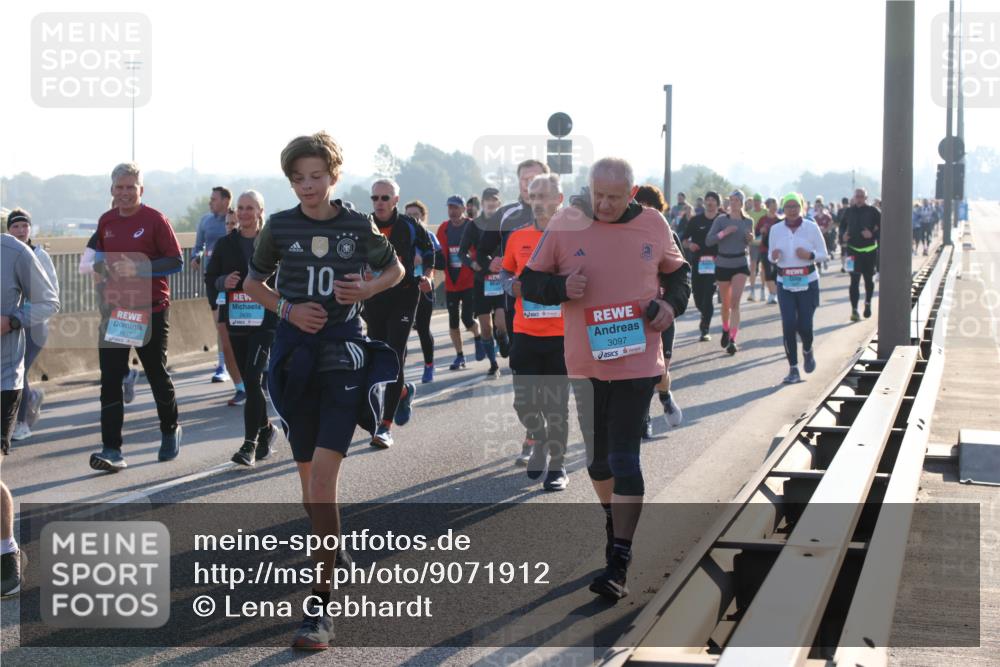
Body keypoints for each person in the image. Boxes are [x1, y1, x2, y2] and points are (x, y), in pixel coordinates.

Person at [243, 131, 404, 649]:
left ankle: (320, 607)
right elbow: (252, 283)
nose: (308, 186)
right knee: (308, 476)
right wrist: (288, 309)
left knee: (321, 483)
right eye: (298, 178)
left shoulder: (358, 225)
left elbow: (396, 268)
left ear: (333, 176)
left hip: (343, 357)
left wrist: (367, 288)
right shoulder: (279, 226)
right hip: (294, 360)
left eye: (316, 176)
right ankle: (331, 548)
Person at [520, 157, 690, 601]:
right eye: (599, 194)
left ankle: (620, 558)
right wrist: (561, 289)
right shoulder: (567, 222)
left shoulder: (653, 223)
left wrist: (671, 306)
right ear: (589, 188)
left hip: (637, 361)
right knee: (598, 464)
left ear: (631, 194)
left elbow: (679, 274)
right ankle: (616, 523)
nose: (606, 204)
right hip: (586, 364)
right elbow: (530, 282)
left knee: (624, 458)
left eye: (615, 197)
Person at [89, 163, 184, 472]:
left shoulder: (155, 220)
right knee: (111, 380)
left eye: (131, 187)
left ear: (141, 190)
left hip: (151, 309)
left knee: (156, 372)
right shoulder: (106, 221)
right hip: (117, 312)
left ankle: (170, 429)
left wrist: (140, 269)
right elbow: (96, 259)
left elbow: (175, 261)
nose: (125, 193)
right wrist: (100, 271)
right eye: (120, 187)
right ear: (112, 190)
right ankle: (112, 449)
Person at [499, 173, 570, 488]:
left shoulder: (575, 237)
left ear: (560, 200)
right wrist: (509, 286)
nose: (540, 202)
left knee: (556, 404)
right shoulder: (517, 237)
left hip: (561, 337)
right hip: (525, 334)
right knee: (524, 402)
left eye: (546, 196)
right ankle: (539, 438)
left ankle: (557, 468)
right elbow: (504, 272)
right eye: (534, 196)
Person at [1, 231, 59, 597]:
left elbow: (49, 301)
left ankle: (7, 553)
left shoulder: (13, 251)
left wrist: (12, 320)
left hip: (3, 379)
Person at [205, 190, 280, 466]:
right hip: (236, 318)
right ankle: (267, 430)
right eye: (241, 208)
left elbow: (286, 276)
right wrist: (223, 280)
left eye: (250, 208)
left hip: (265, 320)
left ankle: (249, 444)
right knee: (250, 381)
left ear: (261, 211)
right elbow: (210, 276)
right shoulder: (226, 244)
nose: (245, 213)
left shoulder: (272, 244)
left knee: (252, 377)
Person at [363, 179, 436, 449]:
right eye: (375, 198)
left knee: (395, 354)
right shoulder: (364, 226)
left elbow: (430, 252)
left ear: (395, 200)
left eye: (385, 198)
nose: (379, 203)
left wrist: (427, 275)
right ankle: (403, 391)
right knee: (377, 355)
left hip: (405, 296)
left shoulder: (409, 225)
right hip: (374, 296)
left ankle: (385, 426)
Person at [477, 160, 550, 352]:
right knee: (524, 372)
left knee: (556, 374)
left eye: (535, 178)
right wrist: (490, 263)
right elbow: (482, 251)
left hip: (556, 306)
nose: (528, 183)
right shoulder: (505, 215)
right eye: (524, 179)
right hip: (517, 305)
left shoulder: (564, 216)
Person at [633, 185, 684, 439]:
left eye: (649, 207)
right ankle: (644, 418)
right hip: (634, 316)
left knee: (660, 372)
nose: (645, 213)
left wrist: (670, 302)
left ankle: (665, 395)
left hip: (660, 314)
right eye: (639, 206)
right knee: (640, 373)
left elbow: (680, 276)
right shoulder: (624, 237)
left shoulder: (667, 235)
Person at [6, 210, 59, 441]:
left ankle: (22, 423)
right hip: (11, 324)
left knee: (19, 372)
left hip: (33, 324)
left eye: (24, 226)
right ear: (8, 230)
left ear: (30, 229)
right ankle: (33, 397)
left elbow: (50, 295)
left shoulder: (39, 255)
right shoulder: (6, 254)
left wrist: (22, 313)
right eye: (15, 227)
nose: (20, 231)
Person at [770, 194, 828, 384]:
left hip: (808, 281)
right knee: (788, 324)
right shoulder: (776, 229)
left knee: (804, 325)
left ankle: (808, 349)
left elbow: (823, 254)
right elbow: (771, 255)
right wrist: (774, 256)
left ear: (801, 207)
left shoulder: (811, 227)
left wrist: (809, 255)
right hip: (785, 282)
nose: (792, 210)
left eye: (796, 206)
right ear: (783, 209)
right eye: (788, 206)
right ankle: (793, 368)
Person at [192, 187, 243, 392]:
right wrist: (196, 256)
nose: (210, 202)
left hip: (237, 279)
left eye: (213, 199)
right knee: (220, 323)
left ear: (226, 201)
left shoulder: (238, 217)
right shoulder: (205, 221)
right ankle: (221, 367)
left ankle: (246, 366)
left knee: (240, 323)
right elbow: (199, 245)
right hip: (214, 278)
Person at [458, 187, 505, 376]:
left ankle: (504, 341)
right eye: (487, 201)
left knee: (502, 324)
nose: (491, 204)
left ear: (499, 204)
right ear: (483, 204)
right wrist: (472, 264)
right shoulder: (474, 225)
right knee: (486, 327)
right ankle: (493, 363)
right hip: (481, 281)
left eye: (494, 200)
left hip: (502, 280)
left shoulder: (505, 223)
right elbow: (462, 252)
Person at [436, 195, 483, 370]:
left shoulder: (473, 226)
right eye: (450, 208)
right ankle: (460, 356)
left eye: (456, 208)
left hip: (469, 280)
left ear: (463, 209)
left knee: (467, 319)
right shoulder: (443, 228)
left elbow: (482, 248)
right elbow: (439, 251)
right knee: (453, 322)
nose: (452, 211)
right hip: (451, 282)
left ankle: (478, 336)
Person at [705, 190, 754, 355]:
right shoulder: (721, 220)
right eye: (731, 200)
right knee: (725, 304)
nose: (733, 203)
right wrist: (724, 233)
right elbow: (709, 240)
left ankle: (733, 339)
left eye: (736, 200)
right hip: (723, 263)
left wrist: (750, 238)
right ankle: (725, 329)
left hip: (740, 262)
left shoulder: (748, 221)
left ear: (742, 203)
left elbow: (748, 241)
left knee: (735, 303)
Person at [404, 200, 443, 383]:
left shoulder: (428, 236)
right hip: (403, 287)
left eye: (415, 215)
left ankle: (429, 365)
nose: (411, 218)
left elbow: (441, 262)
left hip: (424, 287)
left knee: (422, 328)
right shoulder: (400, 235)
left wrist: (425, 263)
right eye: (408, 215)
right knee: (400, 330)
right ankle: (397, 370)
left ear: (422, 217)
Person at [681, 191, 721, 341]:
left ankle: (705, 328)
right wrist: (690, 245)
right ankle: (704, 314)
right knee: (698, 297)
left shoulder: (721, 220)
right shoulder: (696, 221)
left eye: (713, 200)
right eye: (707, 200)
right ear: (704, 203)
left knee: (708, 296)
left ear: (717, 203)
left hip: (716, 263)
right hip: (698, 263)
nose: (710, 202)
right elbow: (684, 239)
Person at [839, 188, 880, 321]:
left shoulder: (873, 211)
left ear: (866, 198)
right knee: (854, 281)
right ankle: (854, 310)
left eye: (861, 196)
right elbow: (842, 227)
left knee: (868, 280)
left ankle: (867, 303)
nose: (859, 198)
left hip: (869, 251)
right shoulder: (849, 211)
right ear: (854, 197)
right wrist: (843, 236)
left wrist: (872, 235)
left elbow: (883, 228)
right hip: (852, 251)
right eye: (857, 196)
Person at [755, 197, 780, 304]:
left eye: (776, 206)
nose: (774, 208)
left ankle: (777, 292)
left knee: (776, 272)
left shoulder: (780, 220)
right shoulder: (762, 220)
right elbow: (756, 235)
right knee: (767, 271)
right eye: (772, 206)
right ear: (768, 206)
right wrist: (761, 231)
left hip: (777, 250)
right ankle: (772, 294)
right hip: (764, 249)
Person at [746, 193, 767, 301]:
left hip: (764, 244)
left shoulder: (765, 212)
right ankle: (752, 291)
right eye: (755, 201)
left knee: (763, 267)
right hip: (753, 244)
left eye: (758, 201)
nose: (756, 203)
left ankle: (763, 290)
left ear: (761, 202)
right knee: (753, 267)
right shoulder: (749, 213)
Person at [813, 199, 835, 271]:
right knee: (817, 250)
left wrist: (826, 229)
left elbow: (831, 225)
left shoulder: (827, 216)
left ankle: (825, 260)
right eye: (818, 207)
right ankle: (819, 268)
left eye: (821, 207)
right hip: (818, 235)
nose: (820, 209)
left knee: (826, 249)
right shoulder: (815, 218)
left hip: (826, 235)